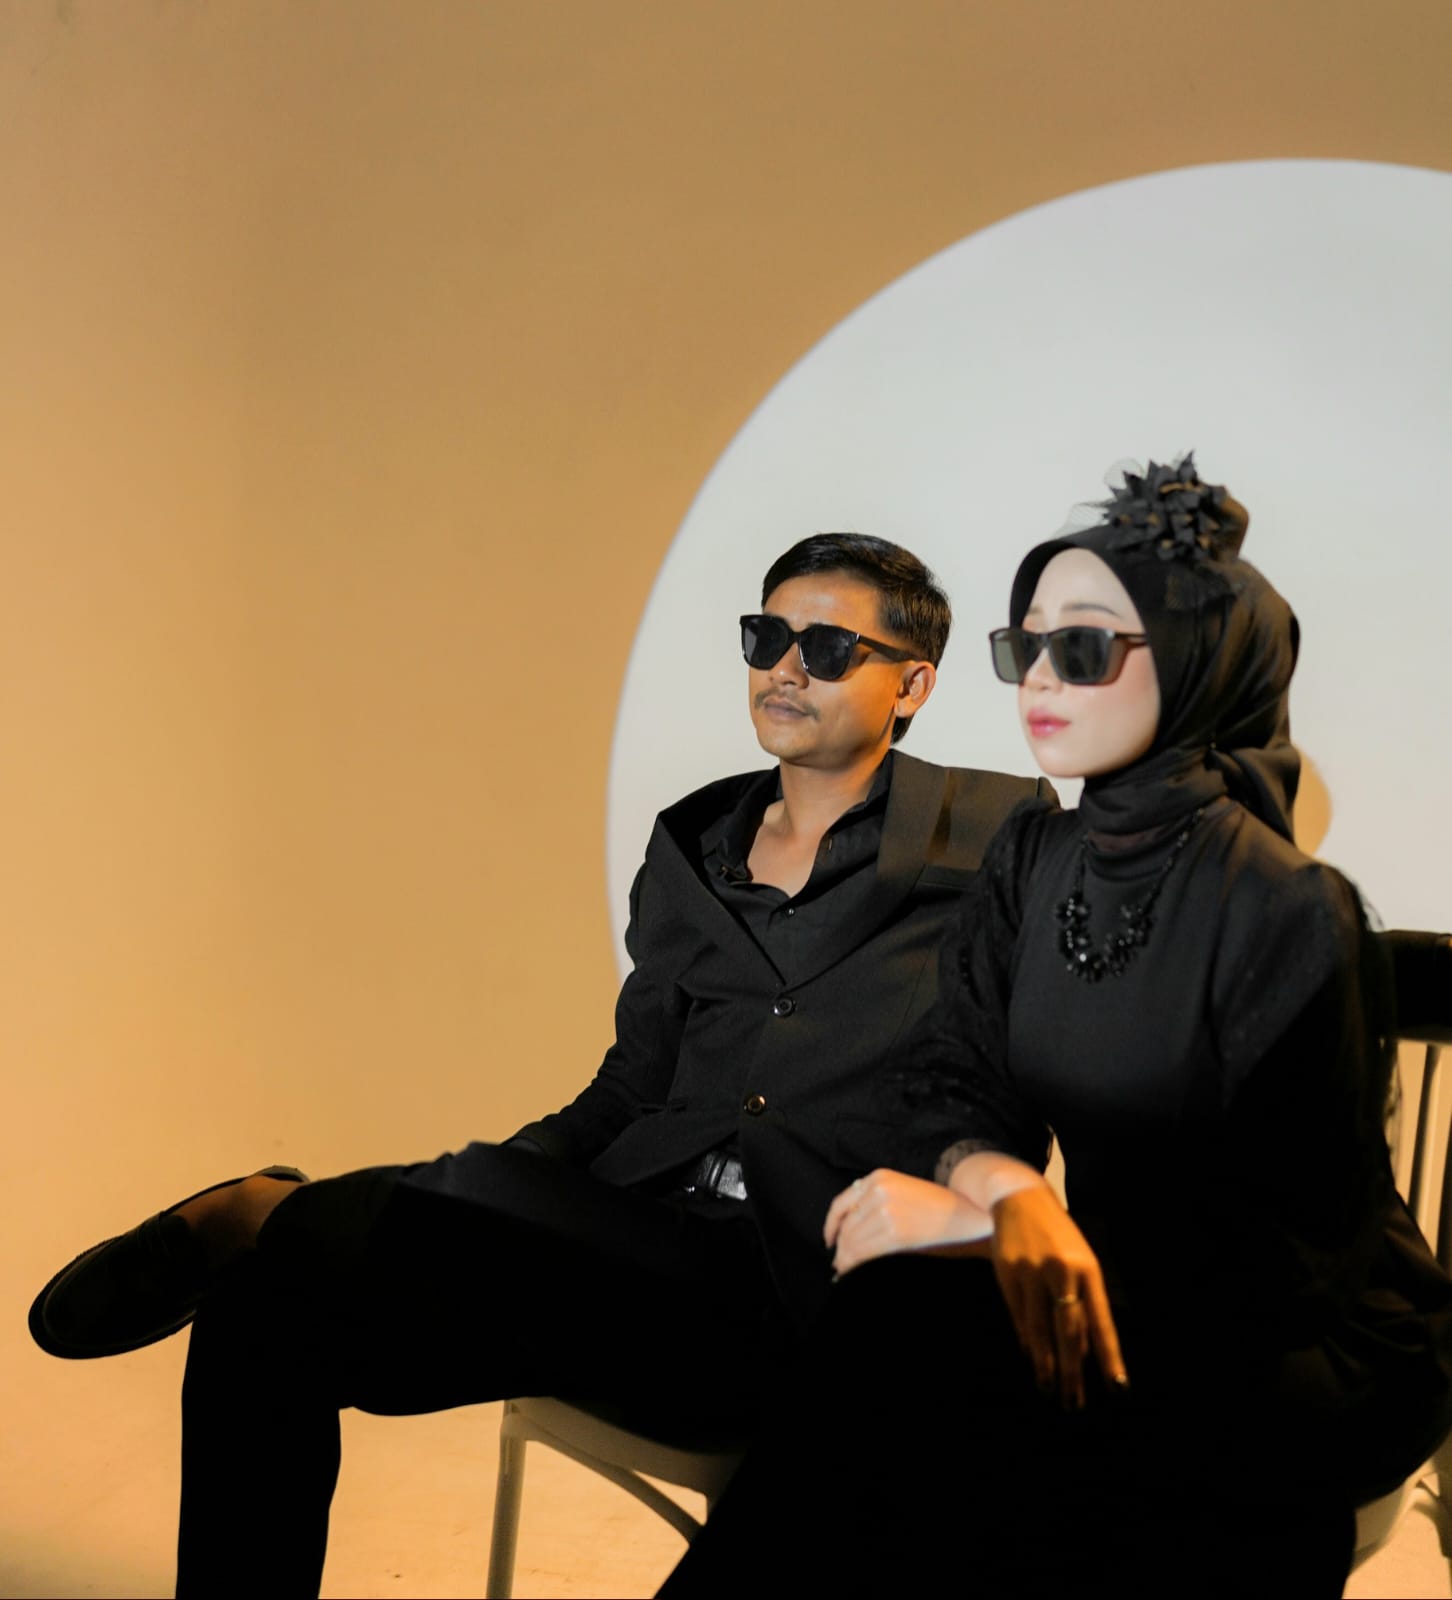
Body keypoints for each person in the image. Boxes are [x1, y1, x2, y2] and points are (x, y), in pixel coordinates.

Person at [27, 532, 1052, 1596]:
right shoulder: (692, 844)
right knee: (262, 1308)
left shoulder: (999, 833)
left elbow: (1032, 1063)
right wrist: (481, 1200)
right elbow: (631, 1088)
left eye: (829, 648)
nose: (786, 668)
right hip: (632, 1262)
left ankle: (268, 1209)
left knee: (331, 1241)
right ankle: (294, 1230)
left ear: (911, 685)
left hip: (813, 1292)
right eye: (767, 637)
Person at [659, 460, 1452, 1597]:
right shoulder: (1037, 856)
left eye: (1080, 648)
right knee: (893, 1335)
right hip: (1102, 1288)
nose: (1038, 676)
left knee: (926, 1401)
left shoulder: (1284, 903)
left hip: (1299, 1344)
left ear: (1192, 660)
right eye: (1024, 645)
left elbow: (1284, 1267)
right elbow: (960, 1081)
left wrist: (983, 1234)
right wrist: (1008, 1196)